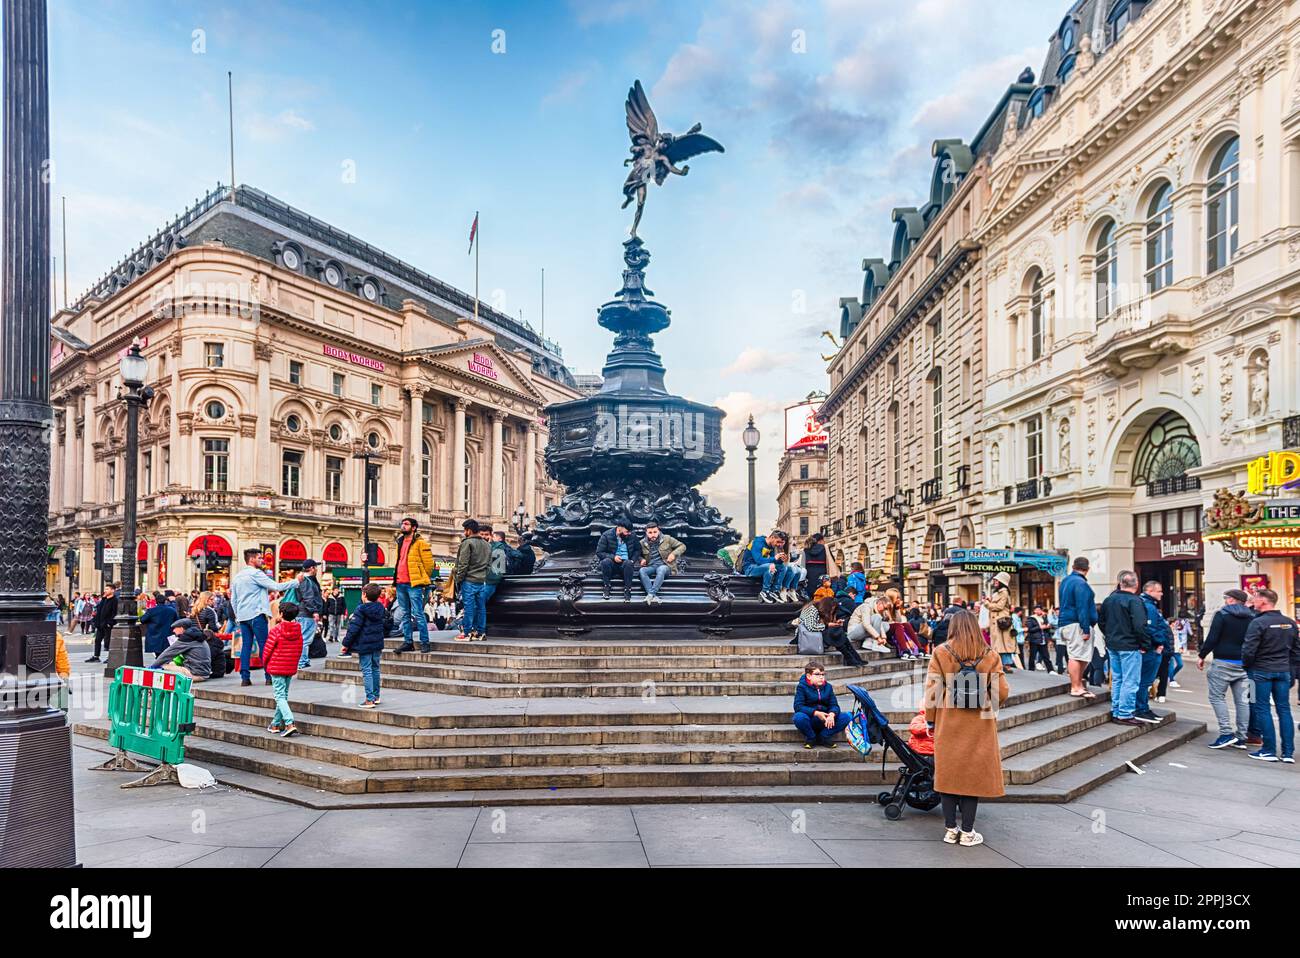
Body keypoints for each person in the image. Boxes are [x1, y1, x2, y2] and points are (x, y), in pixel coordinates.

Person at [923, 610, 1008, 847]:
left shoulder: (941, 652)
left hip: (949, 721)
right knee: (972, 777)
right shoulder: (990, 654)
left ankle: (951, 830)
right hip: (979, 722)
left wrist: (930, 720)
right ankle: (968, 833)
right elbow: (1002, 692)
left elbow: (932, 691)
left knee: (949, 775)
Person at [1241, 587, 1300, 763]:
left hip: (1261, 670)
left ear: (1264, 601)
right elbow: (1296, 650)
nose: (1253, 601)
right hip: (1283, 671)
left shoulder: (1257, 623)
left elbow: (1248, 649)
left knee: (1262, 708)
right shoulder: (1289, 622)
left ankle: (1268, 750)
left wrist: (1247, 666)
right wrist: (1292, 671)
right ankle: (1288, 753)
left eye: (1256, 599)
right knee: (1284, 709)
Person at [1198, 589, 1255, 749]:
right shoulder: (1252, 617)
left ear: (1232, 600)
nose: (1225, 600)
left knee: (1217, 697)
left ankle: (1226, 733)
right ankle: (1242, 737)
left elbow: (1212, 638)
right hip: (1245, 665)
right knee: (1244, 701)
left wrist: (1202, 655)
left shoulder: (1222, 615)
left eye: (1226, 598)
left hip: (1222, 662)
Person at [1098, 571, 1149, 727]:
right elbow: (1140, 625)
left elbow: (1101, 621)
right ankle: (1125, 713)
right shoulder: (1135, 601)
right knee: (1130, 680)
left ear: (1120, 583)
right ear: (1136, 584)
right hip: (1130, 645)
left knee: (1118, 679)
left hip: (1113, 643)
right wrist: (1145, 643)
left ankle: (1117, 710)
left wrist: (1109, 635)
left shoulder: (1109, 600)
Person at [230, 547, 280, 687]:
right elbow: (275, 586)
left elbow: (233, 600)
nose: (262, 560)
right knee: (264, 645)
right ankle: (268, 676)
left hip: (243, 616)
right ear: (251, 559)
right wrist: (296, 582)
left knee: (246, 646)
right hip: (257, 615)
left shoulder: (237, 577)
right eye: (259, 558)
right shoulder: (256, 574)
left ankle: (245, 678)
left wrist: (238, 615)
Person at [1057, 556, 1099, 699]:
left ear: (1073, 567)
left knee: (1079, 655)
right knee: (1077, 655)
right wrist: (1086, 628)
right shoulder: (1081, 584)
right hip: (1076, 623)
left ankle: (1078, 685)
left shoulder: (1065, 581)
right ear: (1087, 570)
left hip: (1066, 623)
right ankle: (1076, 686)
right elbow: (1082, 607)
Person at [261, 600, 304, 736]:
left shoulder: (276, 630)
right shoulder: (298, 630)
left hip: (276, 666)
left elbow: (267, 650)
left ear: (281, 613)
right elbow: (299, 649)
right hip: (290, 666)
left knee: (279, 695)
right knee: (283, 695)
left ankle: (289, 722)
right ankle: (275, 724)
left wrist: (265, 663)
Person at [343, 582, 387, 708]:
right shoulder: (380, 608)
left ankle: (369, 699)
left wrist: (345, 644)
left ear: (364, 595)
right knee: (375, 669)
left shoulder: (361, 609)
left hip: (365, 644)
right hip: (377, 643)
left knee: (367, 670)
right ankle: (376, 696)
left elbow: (353, 629)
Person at [791, 662, 851, 748]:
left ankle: (824, 736)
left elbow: (834, 705)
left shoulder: (828, 687)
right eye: (817, 674)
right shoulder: (802, 687)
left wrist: (832, 714)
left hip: (826, 720)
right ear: (809, 676)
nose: (821, 677)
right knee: (798, 717)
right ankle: (811, 738)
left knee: (847, 716)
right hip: (811, 718)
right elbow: (798, 706)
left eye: (823, 674)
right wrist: (816, 713)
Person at [1135, 581, 1171, 723]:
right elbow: (1150, 628)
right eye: (1159, 591)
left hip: (1152, 648)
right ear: (1150, 591)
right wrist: (1159, 643)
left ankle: (1143, 707)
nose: (1162, 593)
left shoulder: (1149, 605)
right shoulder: (1148, 606)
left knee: (1146, 681)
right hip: (1151, 649)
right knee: (1145, 681)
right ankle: (1141, 708)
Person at [451, 518, 491, 641]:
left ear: (468, 530)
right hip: (481, 581)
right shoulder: (487, 544)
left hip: (468, 580)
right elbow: (489, 565)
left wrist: (458, 579)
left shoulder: (467, 543)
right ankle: (481, 632)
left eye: (465, 530)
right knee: (481, 607)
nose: (464, 532)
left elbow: (463, 564)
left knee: (468, 607)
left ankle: (466, 632)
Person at [798, 596, 864, 667]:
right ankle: (850, 657)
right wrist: (828, 625)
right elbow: (811, 627)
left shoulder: (820, 610)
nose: (832, 611)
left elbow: (822, 624)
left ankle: (851, 657)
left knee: (837, 631)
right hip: (806, 636)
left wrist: (835, 623)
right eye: (832, 608)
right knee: (834, 632)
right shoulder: (811, 609)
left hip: (817, 633)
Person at [739, 529, 800, 603]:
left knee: (783, 567)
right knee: (769, 566)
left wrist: (780, 560)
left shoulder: (771, 546)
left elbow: (773, 561)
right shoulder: (758, 542)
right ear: (772, 537)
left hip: (761, 567)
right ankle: (765, 591)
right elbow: (758, 560)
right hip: (749, 568)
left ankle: (776, 591)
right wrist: (774, 558)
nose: (779, 544)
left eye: (781, 543)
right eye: (778, 542)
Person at [148, 617, 212, 682]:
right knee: (171, 663)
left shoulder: (186, 639)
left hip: (194, 674)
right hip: (204, 673)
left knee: (161, 667)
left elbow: (167, 654)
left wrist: (152, 667)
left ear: (181, 628)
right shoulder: (196, 635)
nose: (173, 631)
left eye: (175, 628)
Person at [636, 521, 685, 604]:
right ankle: (653, 596)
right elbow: (637, 554)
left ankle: (650, 594)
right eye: (650, 533)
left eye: (655, 532)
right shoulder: (642, 543)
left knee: (661, 569)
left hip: (665, 565)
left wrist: (673, 554)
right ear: (646, 533)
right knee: (642, 571)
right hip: (651, 566)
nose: (653, 534)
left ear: (658, 531)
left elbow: (682, 546)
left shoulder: (667, 539)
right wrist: (641, 559)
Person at [595, 519, 641, 602]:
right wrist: (613, 557)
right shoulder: (606, 535)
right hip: (612, 564)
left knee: (628, 563)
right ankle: (607, 586)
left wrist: (633, 560)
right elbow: (599, 552)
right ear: (619, 528)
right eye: (627, 531)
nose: (629, 533)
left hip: (626, 564)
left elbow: (637, 550)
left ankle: (628, 590)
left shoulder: (632, 536)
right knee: (605, 562)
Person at [294, 558, 325, 668]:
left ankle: (304, 660)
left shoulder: (305, 580)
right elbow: (308, 597)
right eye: (315, 567)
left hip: (304, 613)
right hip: (306, 614)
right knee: (305, 639)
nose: (316, 569)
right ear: (312, 568)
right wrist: (314, 611)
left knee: (304, 639)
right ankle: (302, 662)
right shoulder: (307, 581)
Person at [985, 572, 1016, 671]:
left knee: (1003, 644)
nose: (994, 582)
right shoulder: (998, 592)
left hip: (1002, 623)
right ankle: (1000, 664)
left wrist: (987, 604)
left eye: (996, 580)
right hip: (998, 622)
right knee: (999, 644)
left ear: (1002, 581)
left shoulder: (1004, 592)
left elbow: (999, 606)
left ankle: (1006, 665)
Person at [139, 591, 178, 658]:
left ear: (156, 601)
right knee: (165, 655)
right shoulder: (172, 610)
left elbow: (142, 620)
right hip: (168, 636)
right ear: (165, 601)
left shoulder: (151, 610)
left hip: (154, 636)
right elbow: (177, 621)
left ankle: (159, 665)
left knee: (158, 656)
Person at [87, 584, 118, 663]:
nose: (105, 590)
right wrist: (96, 621)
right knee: (97, 640)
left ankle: (110, 657)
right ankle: (96, 656)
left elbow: (115, 613)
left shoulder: (115, 600)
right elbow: (99, 611)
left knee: (108, 642)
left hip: (108, 625)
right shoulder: (104, 599)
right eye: (105, 589)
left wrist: (110, 623)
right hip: (100, 624)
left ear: (112, 590)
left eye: (107, 589)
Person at [1025, 606, 1053, 672]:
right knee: (1032, 656)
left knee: (1046, 656)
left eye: (1040, 609)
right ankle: (1031, 670)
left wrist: (1047, 626)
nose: (1039, 611)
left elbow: (1047, 626)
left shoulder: (1043, 617)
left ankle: (1051, 670)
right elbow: (1030, 629)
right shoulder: (1031, 618)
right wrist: (1040, 627)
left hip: (1043, 640)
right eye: (1037, 610)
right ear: (1034, 611)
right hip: (1034, 640)